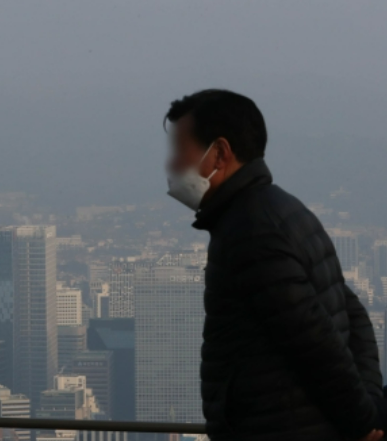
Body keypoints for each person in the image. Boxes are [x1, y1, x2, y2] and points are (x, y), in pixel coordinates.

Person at [165, 89, 385, 441]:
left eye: (180, 149)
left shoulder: (250, 230)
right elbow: (351, 313)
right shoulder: (285, 211)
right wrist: (372, 407)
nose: (171, 164)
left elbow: (314, 343)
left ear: (219, 153)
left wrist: (363, 424)